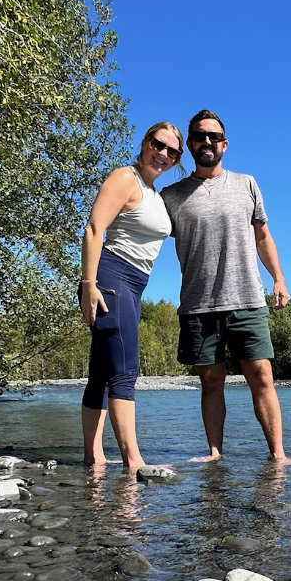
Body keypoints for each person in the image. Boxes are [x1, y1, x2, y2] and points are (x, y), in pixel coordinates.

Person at [162, 109, 291, 463]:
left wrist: (279, 278)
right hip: (198, 304)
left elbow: (263, 236)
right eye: (199, 136)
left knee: (262, 377)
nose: (207, 141)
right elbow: (142, 233)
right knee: (210, 381)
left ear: (225, 143)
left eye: (213, 136)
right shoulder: (170, 196)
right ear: (189, 144)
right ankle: (215, 454)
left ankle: (278, 455)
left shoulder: (247, 184)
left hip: (247, 298)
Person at [79, 122, 183, 468]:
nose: (163, 153)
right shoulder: (125, 178)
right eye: (158, 144)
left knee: (102, 371)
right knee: (124, 370)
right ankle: (133, 462)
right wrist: (88, 284)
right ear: (144, 143)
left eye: (172, 151)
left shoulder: (153, 192)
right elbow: (95, 228)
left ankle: (93, 459)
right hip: (113, 277)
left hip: (135, 285)